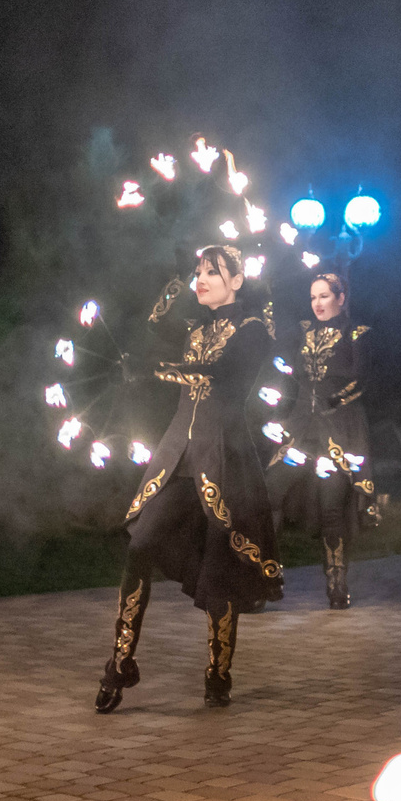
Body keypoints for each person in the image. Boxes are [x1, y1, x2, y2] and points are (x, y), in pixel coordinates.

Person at [97, 245, 286, 712]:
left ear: (237, 281)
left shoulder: (254, 329)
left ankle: (218, 674)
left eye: (212, 272)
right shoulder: (193, 327)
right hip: (176, 453)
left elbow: (226, 372)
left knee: (219, 565)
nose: (203, 279)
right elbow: (155, 323)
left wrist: (168, 370)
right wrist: (180, 276)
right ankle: (120, 663)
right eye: (199, 271)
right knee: (141, 546)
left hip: (223, 456)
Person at [271, 268, 377, 609]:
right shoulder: (302, 331)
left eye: (325, 296)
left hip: (338, 429)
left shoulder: (357, 333)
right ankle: (266, 578)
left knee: (332, 507)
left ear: (341, 299)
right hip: (301, 427)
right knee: (270, 491)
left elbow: (361, 380)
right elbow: (273, 339)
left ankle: (336, 584)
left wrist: (332, 400)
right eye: (313, 296)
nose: (317, 303)